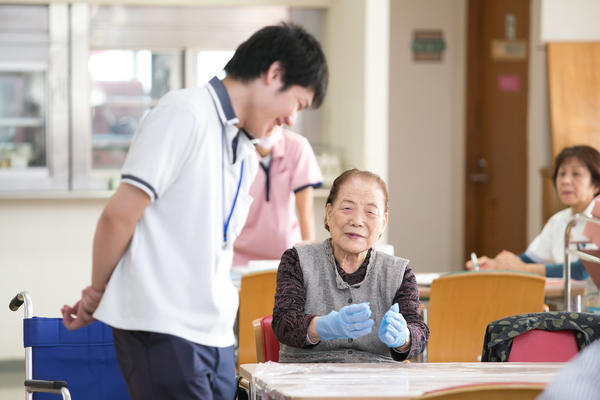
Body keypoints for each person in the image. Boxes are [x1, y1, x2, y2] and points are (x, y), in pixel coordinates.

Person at [61, 23, 328, 400]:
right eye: (297, 103)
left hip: (214, 332)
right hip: (163, 326)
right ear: (274, 74)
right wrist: (98, 292)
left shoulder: (242, 147)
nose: (291, 120)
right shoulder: (184, 113)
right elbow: (118, 216)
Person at [272, 169, 429, 363]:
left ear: (383, 222)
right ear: (328, 213)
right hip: (306, 382)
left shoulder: (400, 273)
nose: (357, 221)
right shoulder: (296, 260)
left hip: (376, 385)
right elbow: (283, 324)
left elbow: (419, 332)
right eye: (347, 208)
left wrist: (404, 337)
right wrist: (323, 326)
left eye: (370, 212)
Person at [466, 145, 600, 280]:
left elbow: (582, 271)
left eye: (576, 174)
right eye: (562, 173)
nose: (565, 181)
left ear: (596, 184)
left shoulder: (597, 219)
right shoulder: (559, 220)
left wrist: (523, 269)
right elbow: (531, 258)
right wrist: (496, 265)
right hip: (566, 297)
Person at [233, 125, 323, 266]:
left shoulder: (297, 146)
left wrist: (309, 260)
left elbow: (306, 213)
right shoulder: (237, 145)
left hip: (287, 254)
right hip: (238, 254)